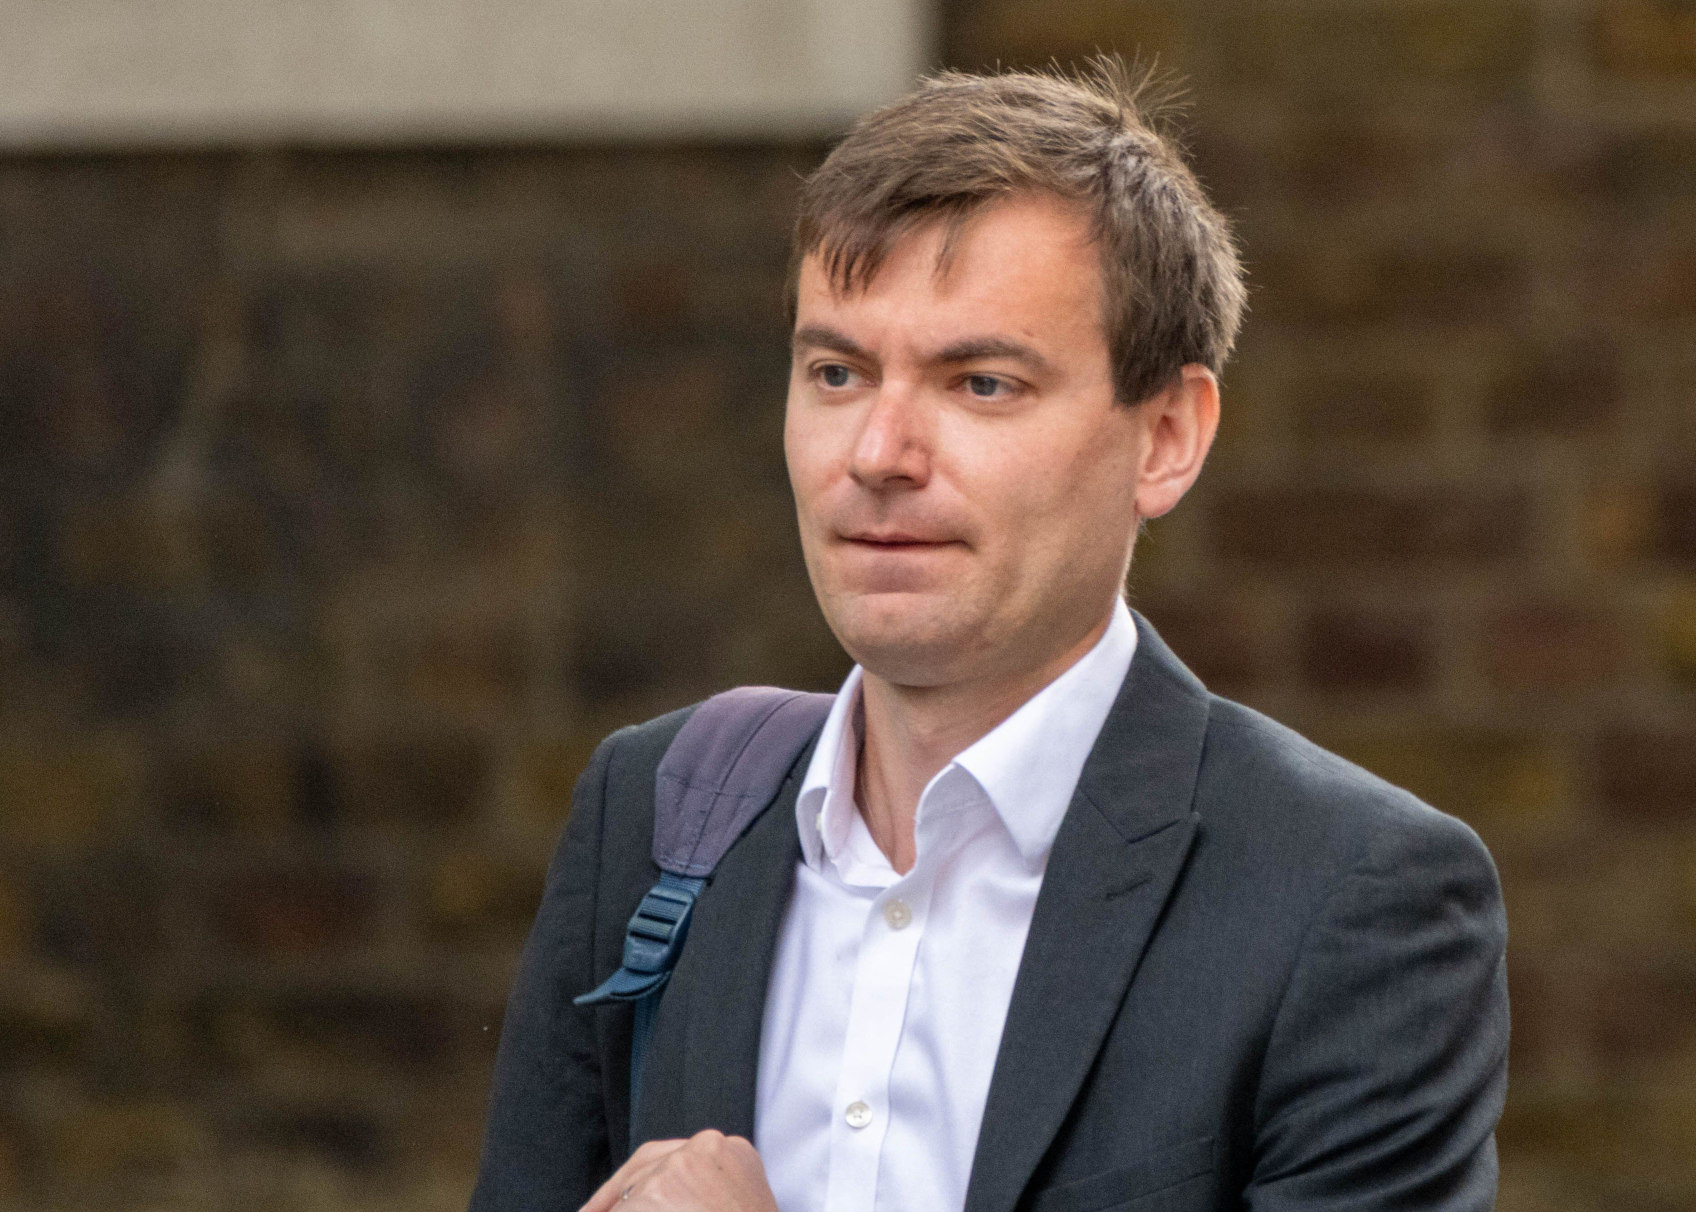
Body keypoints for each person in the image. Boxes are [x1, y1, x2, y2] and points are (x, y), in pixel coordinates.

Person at [469, 62, 1507, 1212]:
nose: (876, 451)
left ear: (1163, 437)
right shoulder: (656, 810)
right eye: (835, 371)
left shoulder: (1349, 897)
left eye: (978, 384)